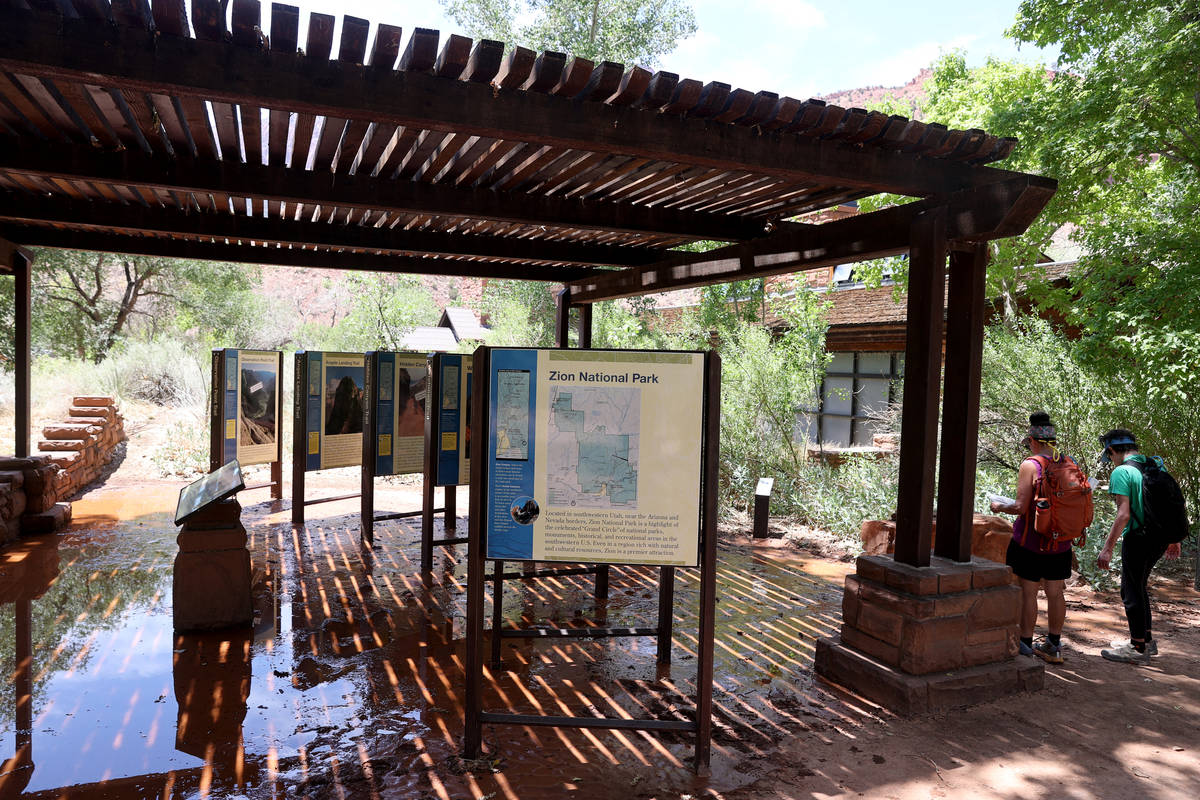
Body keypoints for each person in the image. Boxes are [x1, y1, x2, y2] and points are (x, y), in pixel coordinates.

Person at [990, 412, 1080, 664]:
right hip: (1060, 540)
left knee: (1028, 591)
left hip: (1031, 540)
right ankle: (1053, 644)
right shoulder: (1068, 462)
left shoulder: (1031, 464)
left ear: (1032, 440)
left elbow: (1020, 506)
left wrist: (999, 507)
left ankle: (1026, 644)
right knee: (1055, 591)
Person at [1096, 429, 1182, 664]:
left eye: (1109, 455)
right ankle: (1145, 641)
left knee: (1130, 591)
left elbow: (1123, 515)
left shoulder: (1122, 472)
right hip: (1159, 538)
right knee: (1139, 586)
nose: (1110, 459)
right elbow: (1167, 504)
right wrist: (1174, 538)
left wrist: (1107, 548)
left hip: (1138, 537)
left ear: (1112, 450)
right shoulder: (1154, 465)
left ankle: (1137, 648)